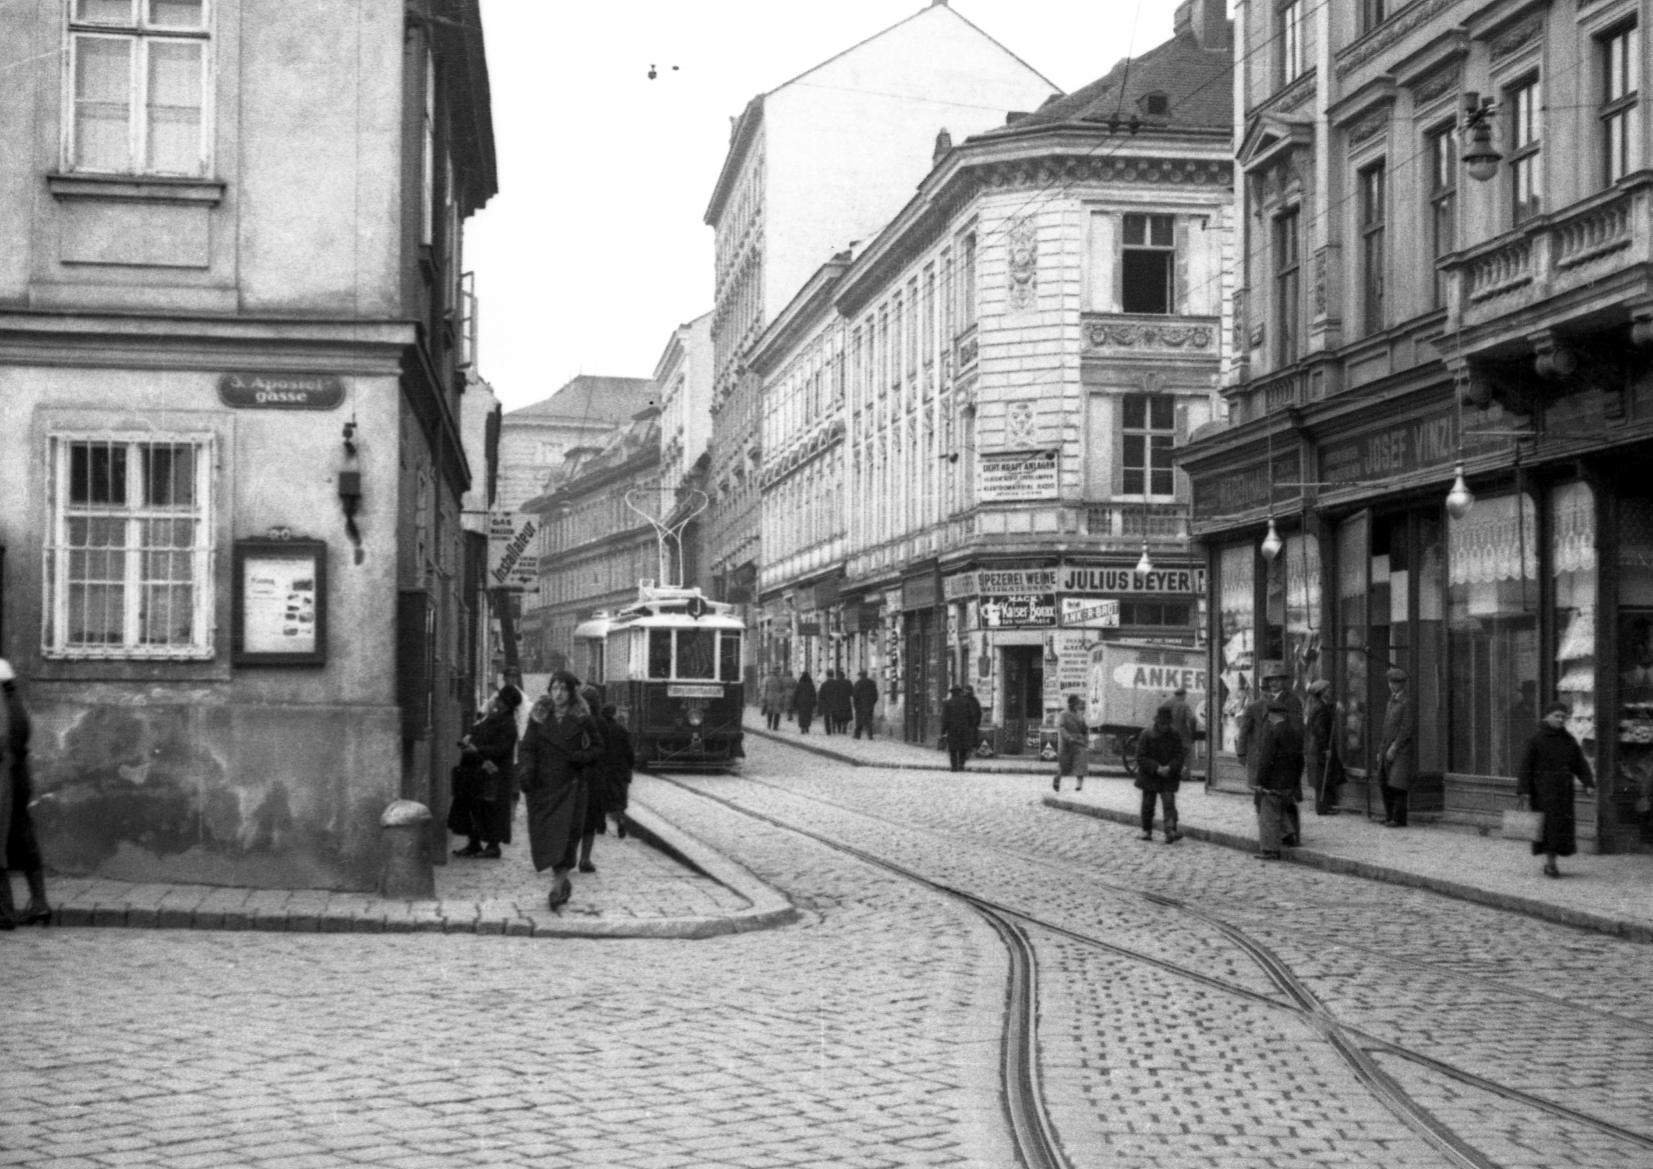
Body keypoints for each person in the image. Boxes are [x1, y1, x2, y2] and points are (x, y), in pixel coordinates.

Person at [518, 670, 604, 911]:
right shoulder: (539, 716)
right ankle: (561, 881)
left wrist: (581, 757)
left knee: (566, 837)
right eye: (554, 688)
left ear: (571, 692)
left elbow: (598, 748)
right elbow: (527, 747)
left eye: (563, 689)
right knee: (547, 836)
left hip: (571, 785)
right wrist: (526, 770)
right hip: (544, 787)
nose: (558, 694)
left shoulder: (582, 717)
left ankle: (557, 885)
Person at [1517, 701, 1596, 878]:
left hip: (1564, 792)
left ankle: (1552, 861)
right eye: (1556, 716)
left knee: (1560, 828)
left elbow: (1580, 764)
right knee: (1549, 828)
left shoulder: (1569, 740)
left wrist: (1588, 783)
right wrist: (1525, 791)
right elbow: (1525, 766)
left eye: (1563, 717)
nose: (1560, 720)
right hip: (1542, 792)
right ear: (1547, 717)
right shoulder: (1536, 740)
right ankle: (1551, 864)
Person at [0, 660, 50, 928]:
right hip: (18, 772)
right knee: (22, 833)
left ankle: (6, 912)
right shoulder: (14, 699)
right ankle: (39, 902)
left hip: (5, 774)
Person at [448, 686, 522, 859]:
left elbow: (502, 749)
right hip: (477, 770)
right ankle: (474, 843)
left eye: (500, 698)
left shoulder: (509, 724)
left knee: (490, 810)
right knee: (473, 806)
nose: (495, 700)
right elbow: (479, 728)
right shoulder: (495, 716)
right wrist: (469, 736)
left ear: (507, 703)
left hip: (493, 774)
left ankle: (493, 845)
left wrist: (478, 750)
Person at [1236, 663, 1303, 843]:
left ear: (1284, 681)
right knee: (1267, 799)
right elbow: (1246, 730)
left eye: (1277, 679)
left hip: (1282, 759)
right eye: (1271, 680)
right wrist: (1242, 753)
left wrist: (1290, 754)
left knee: (1283, 800)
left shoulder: (1291, 701)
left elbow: (1296, 732)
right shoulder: (1262, 703)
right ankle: (1280, 835)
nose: (1274, 683)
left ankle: (1287, 836)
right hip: (1266, 757)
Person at [1251, 696, 1304, 860]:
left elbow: (1265, 760)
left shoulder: (1272, 733)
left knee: (1268, 815)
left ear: (1271, 716)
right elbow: (1300, 761)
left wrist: (1259, 781)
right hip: (1289, 782)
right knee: (1280, 810)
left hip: (1273, 782)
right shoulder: (1294, 733)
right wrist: (1295, 781)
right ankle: (1290, 836)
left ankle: (1270, 850)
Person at [1135, 702, 1185, 842]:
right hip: (1150, 774)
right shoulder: (1146, 734)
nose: (1165, 727)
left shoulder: (1175, 734)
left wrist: (1170, 767)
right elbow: (1140, 757)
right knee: (1148, 804)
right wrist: (1156, 767)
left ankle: (1170, 830)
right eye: (1162, 723)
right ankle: (1146, 830)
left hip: (1168, 774)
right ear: (1157, 722)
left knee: (1169, 801)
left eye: (1167, 724)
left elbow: (1180, 755)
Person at [1377, 666, 1414, 828]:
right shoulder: (1391, 701)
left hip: (1401, 750)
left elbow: (1406, 729)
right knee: (1385, 782)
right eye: (1390, 682)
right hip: (1386, 747)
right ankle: (1389, 815)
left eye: (1396, 682)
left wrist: (1395, 746)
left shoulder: (1407, 702)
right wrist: (1381, 750)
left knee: (1397, 784)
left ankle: (1399, 818)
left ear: (1403, 684)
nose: (1392, 685)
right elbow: (1386, 728)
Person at [1303, 680, 1341, 816]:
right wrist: (1326, 748)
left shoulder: (1317, 705)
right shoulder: (1320, 708)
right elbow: (1321, 730)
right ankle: (1322, 807)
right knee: (1322, 776)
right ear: (1322, 693)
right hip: (1320, 747)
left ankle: (1325, 805)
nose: (1329, 691)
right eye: (1327, 690)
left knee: (1323, 775)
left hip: (1316, 747)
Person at [599, 703, 635, 838]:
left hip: (603, 769)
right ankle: (620, 821)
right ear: (614, 714)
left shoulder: (598, 729)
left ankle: (601, 825)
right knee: (619, 798)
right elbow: (629, 752)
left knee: (602, 797)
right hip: (619, 770)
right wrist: (630, 765)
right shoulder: (621, 730)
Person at [1054, 694, 1089, 793]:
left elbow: (1085, 728)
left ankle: (1079, 785)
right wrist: (1068, 737)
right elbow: (1061, 727)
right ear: (1072, 704)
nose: (1078, 705)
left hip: (1079, 742)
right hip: (1067, 743)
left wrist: (1085, 738)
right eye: (1076, 703)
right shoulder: (1063, 714)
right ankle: (1057, 780)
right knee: (1064, 764)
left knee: (1081, 762)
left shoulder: (1080, 715)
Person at [1166, 685, 1197, 781]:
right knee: (1187, 753)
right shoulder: (1184, 705)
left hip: (1168, 733)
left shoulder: (1167, 703)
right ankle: (1186, 775)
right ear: (1183, 695)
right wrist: (1193, 731)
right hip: (1182, 734)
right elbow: (1192, 719)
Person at [942, 686, 975, 771]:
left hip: (952, 728)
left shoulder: (948, 703)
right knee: (963, 747)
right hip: (964, 727)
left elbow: (945, 718)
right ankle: (961, 763)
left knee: (953, 748)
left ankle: (954, 766)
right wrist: (971, 726)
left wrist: (943, 730)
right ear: (960, 692)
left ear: (952, 693)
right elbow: (971, 716)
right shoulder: (966, 702)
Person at [853, 670, 879, 739]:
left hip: (860, 705)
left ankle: (857, 735)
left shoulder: (858, 683)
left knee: (859, 721)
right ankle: (870, 735)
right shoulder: (872, 683)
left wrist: (855, 705)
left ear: (861, 676)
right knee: (869, 720)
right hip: (869, 705)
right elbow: (875, 695)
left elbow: (855, 696)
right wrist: (872, 703)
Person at [963, 685, 984, 753]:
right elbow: (979, 713)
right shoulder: (975, 700)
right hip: (973, 723)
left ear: (965, 691)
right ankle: (971, 751)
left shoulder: (963, 699)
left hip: (964, 722)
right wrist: (977, 722)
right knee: (972, 738)